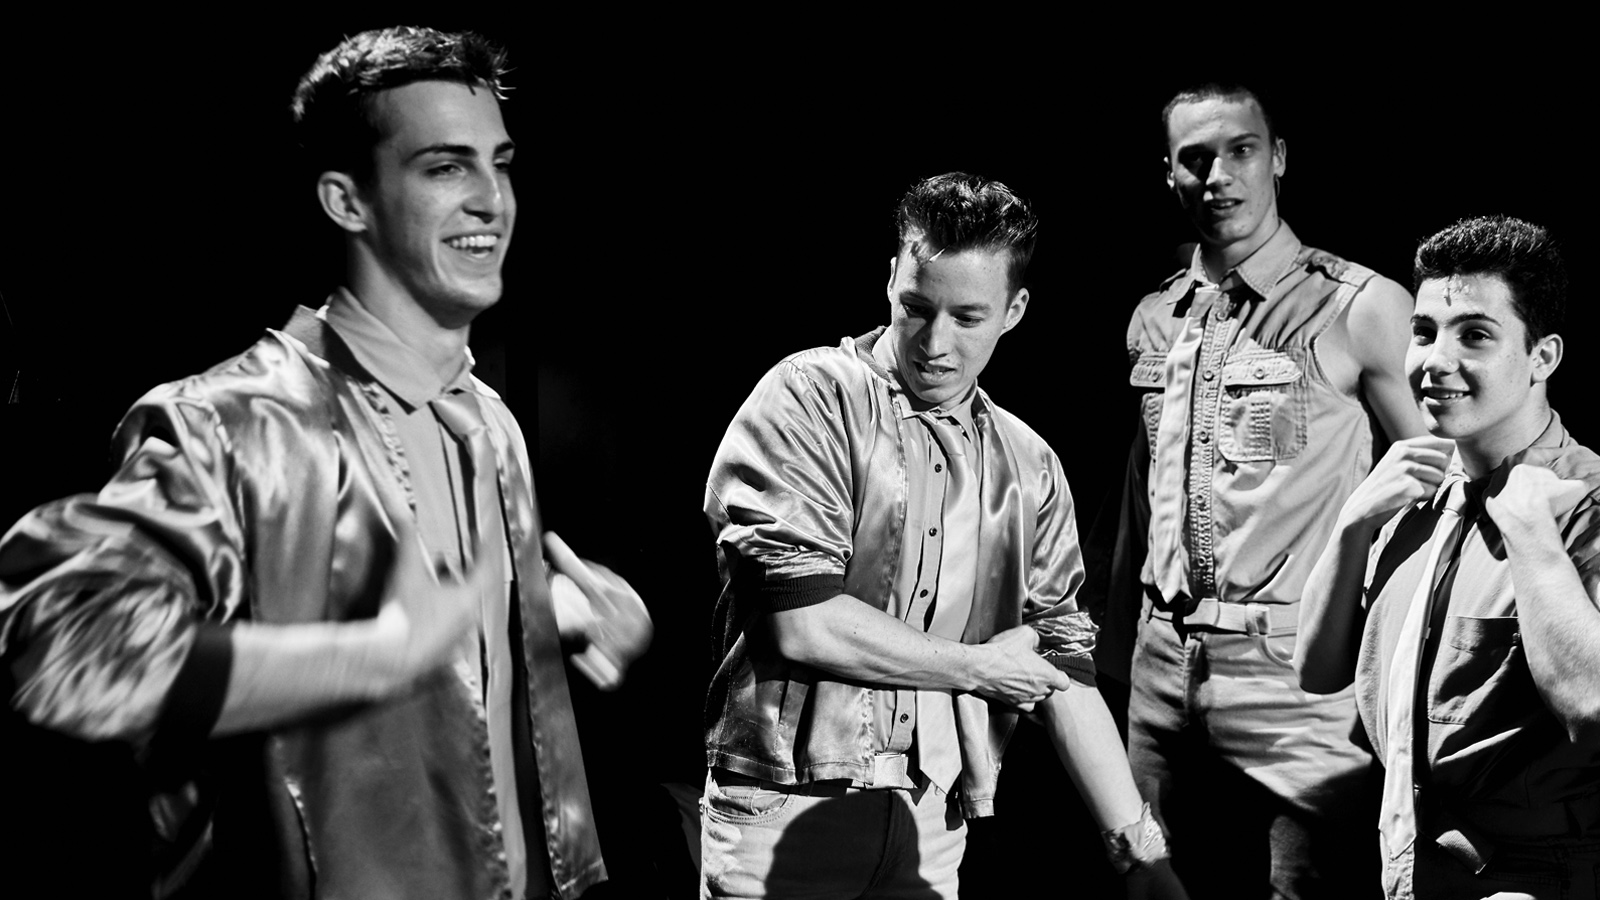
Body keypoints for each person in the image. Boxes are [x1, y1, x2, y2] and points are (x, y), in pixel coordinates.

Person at [0, 26, 647, 900]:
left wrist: (553, 613)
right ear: (348, 200)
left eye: (501, 162)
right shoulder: (230, 423)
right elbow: (62, 648)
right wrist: (368, 657)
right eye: (446, 166)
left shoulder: (488, 423)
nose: (494, 199)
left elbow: (460, 676)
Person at [699, 172, 1187, 899]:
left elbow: (1063, 672)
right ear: (890, 280)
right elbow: (799, 623)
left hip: (933, 821)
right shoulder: (809, 397)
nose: (934, 342)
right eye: (915, 308)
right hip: (784, 810)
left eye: (967, 317)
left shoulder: (1029, 464)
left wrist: (1141, 855)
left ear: (1015, 310)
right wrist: (981, 668)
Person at [1111, 83, 1425, 897]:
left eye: (1240, 150)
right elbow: (1140, 503)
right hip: (1160, 671)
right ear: (1169, 174)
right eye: (1196, 158)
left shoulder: (1359, 307)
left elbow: (1442, 491)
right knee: (1154, 887)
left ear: (1277, 158)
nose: (1219, 175)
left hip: (1296, 680)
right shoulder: (1156, 315)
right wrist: (1114, 656)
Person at [1297, 215, 1600, 899]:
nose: (1435, 360)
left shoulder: (1583, 502)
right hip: (1407, 863)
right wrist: (1352, 525)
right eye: (1425, 331)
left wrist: (1529, 535)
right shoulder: (1413, 494)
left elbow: (1591, 703)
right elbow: (1316, 670)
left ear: (1543, 357)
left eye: (1475, 336)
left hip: (1532, 878)